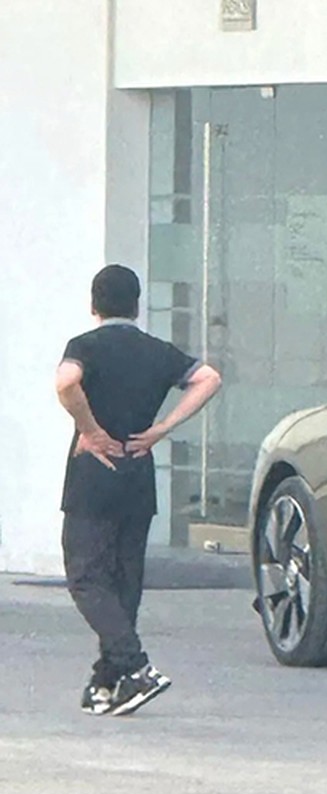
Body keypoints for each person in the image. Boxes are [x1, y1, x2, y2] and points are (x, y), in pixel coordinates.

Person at [55, 264, 222, 716]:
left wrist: (89, 429)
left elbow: (66, 382)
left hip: (93, 471)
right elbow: (209, 378)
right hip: (138, 470)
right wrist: (163, 427)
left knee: (86, 575)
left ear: (94, 304)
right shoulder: (157, 351)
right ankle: (107, 681)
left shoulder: (84, 346)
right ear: (136, 305)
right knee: (125, 578)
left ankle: (135, 666)